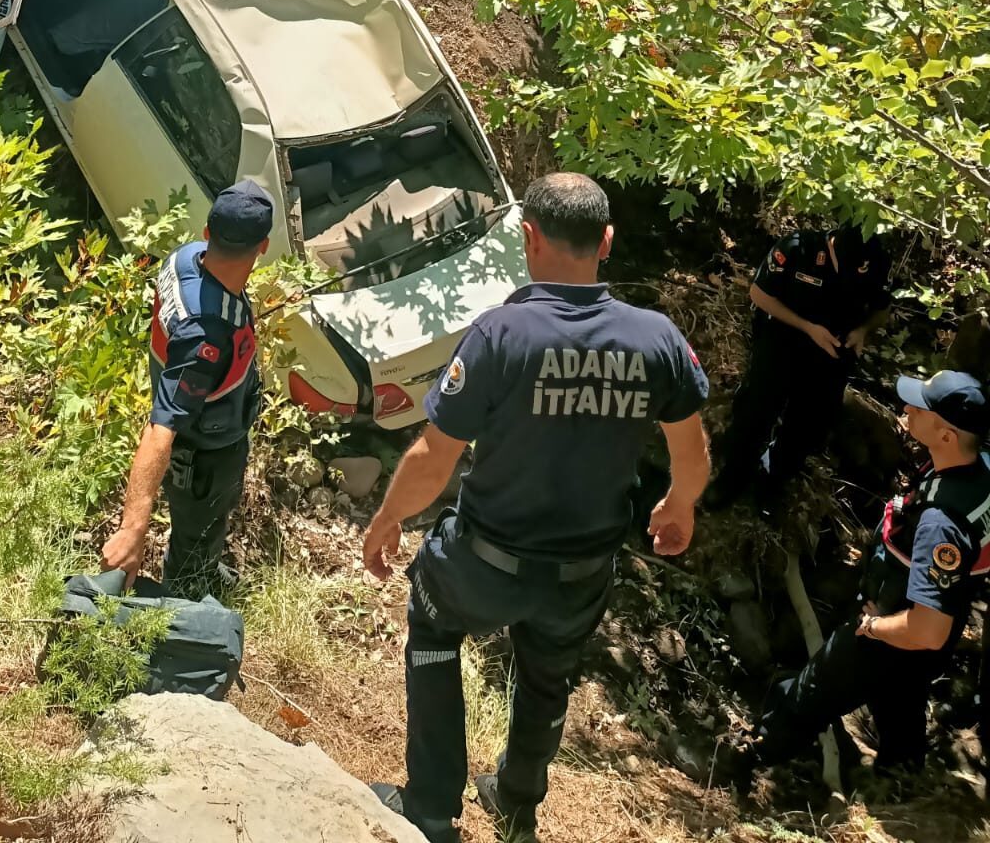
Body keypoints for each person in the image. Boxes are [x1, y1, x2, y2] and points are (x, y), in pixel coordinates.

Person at [363, 172, 711, 843]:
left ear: (529, 237)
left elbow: (434, 457)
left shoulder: (500, 334)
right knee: (547, 672)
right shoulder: (657, 339)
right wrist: (679, 506)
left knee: (433, 628)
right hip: (583, 569)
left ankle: (432, 807)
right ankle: (518, 804)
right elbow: (690, 454)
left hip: (485, 561)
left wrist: (387, 521)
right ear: (606, 242)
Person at [753, 369, 990, 771]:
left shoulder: (941, 522)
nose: (906, 409)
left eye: (920, 407)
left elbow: (926, 631)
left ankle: (750, 757)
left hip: (894, 627)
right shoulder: (979, 468)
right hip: (942, 610)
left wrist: (873, 627)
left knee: (814, 689)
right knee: (902, 697)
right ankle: (902, 771)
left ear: (947, 435)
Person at [101, 180, 274, 597]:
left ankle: (200, 565)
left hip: (203, 416)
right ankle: (189, 589)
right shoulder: (206, 338)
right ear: (263, 246)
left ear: (207, 233)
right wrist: (133, 528)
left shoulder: (184, 259)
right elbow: (161, 429)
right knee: (199, 528)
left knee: (205, 527)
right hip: (203, 454)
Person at [705, 224, 890, 509]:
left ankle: (774, 480)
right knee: (755, 412)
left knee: (807, 427)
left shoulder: (874, 257)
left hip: (832, 354)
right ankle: (733, 477)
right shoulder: (796, 248)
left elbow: (881, 309)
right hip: (782, 342)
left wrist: (863, 331)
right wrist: (807, 327)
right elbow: (759, 294)